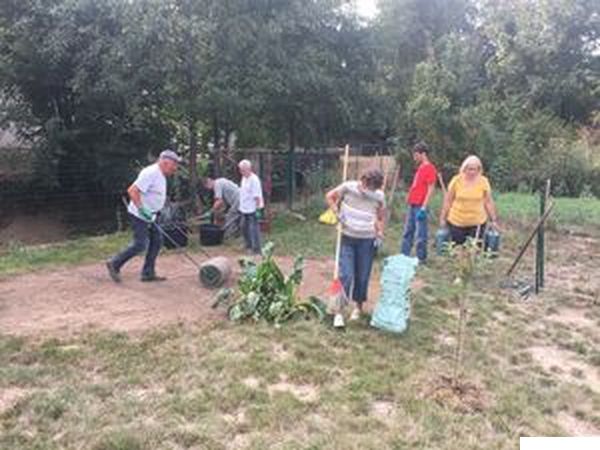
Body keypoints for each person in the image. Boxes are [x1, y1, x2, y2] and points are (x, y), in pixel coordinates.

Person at [106, 150, 181, 282]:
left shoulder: (161, 175)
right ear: (165, 162)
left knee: (157, 241)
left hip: (151, 215)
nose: (175, 168)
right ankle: (114, 263)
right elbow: (132, 190)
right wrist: (142, 209)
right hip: (139, 214)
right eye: (174, 165)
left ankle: (148, 273)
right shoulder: (151, 173)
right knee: (141, 244)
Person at [326, 168, 385, 328]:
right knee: (346, 274)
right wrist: (336, 211)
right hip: (347, 238)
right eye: (367, 186)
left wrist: (380, 233)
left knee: (363, 276)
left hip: (367, 240)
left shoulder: (379, 196)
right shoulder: (348, 187)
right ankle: (338, 312)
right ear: (363, 180)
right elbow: (330, 196)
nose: (368, 190)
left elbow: (380, 216)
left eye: (373, 188)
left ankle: (358, 308)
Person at [439, 155, 500, 245]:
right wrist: (443, 218)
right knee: (458, 250)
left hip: (477, 223)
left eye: (475, 169)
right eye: (470, 169)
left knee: (474, 250)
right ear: (464, 168)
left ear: (479, 170)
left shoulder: (484, 182)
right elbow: (448, 201)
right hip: (457, 222)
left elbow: (488, 202)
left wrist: (493, 220)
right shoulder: (456, 181)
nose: (472, 172)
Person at [400, 142, 437, 263]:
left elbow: (431, 188)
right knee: (408, 231)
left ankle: (421, 258)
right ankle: (404, 255)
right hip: (412, 204)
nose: (414, 157)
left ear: (423, 154)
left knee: (421, 234)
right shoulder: (420, 168)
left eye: (416, 155)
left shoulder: (430, 168)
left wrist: (424, 207)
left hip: (420, 206)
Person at [238, 159, 264, 255]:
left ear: (249, 169)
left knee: (254, 229)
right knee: (243, 227)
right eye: (240, 170)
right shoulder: (244, 178)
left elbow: (257, 196)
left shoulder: (254, 180)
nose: (241, 172)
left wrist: (258, 209)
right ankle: (248, 246)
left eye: (243, 170)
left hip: (253, 208)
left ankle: (256, 249)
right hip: (244, 208)